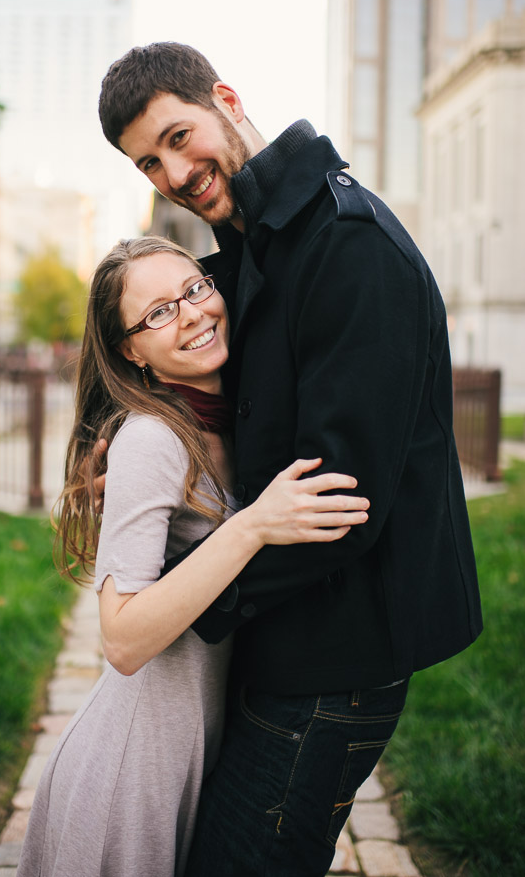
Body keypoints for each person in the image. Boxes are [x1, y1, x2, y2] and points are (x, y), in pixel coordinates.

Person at [97, 43, 483, 877]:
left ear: (226, 99)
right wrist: (122, 443)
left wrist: (183, 593)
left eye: (177, 135)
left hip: (334, 661)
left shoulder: (348, 248)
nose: (173, 171)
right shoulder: (254, 245)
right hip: (283, 645)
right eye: (148, 162)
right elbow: (165, 340)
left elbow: (340, 503)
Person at [15, 236, 369, 877]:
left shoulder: (225, 421)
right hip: (132, 771)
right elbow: (121, 640)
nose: (192, 314)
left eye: (195, 289)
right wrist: (254, 526)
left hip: (193, 751)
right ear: (131, 351)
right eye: (157, 313)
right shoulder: (152, 437)